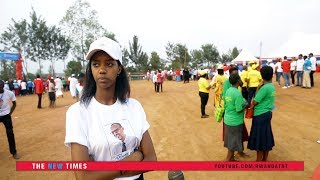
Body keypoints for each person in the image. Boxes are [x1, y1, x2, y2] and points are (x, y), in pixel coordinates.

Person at [65, 37, 157, 180]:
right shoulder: (78, 112)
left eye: (109, 64)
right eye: (96, 64)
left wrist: (102, 170)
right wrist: (130, 161)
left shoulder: (134, 107)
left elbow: (151, 160)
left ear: (118, 68)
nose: (102, 70)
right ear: (91, 69)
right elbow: (83, 176)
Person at [247, 66, 275, 161]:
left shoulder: (264, 88)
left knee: (259, 137)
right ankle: (264, 159)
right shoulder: (271, 86)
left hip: (260, 115)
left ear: (262, 76)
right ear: (272, 75)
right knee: (266, 135)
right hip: (267, 113)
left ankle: (258, 160)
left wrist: (258, 88)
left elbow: (254, 102)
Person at [223, 74, 248, 161]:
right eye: (240, 79)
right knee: (233, 142)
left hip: (228, 119)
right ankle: (228, 160)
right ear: (238, 81)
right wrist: (246, 105)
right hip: (235, 121)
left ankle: (231, 159)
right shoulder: (237, 93)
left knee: (231, 140)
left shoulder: (228, 90)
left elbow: (227, 104)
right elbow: (238, 110)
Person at [0, 80, 20, 159]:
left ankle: (14, 152)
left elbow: (14, 104)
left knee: (10, 133)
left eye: (0, 87)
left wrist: (9, 113)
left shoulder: (9, 93)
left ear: (3, 86)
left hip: (6, 115)